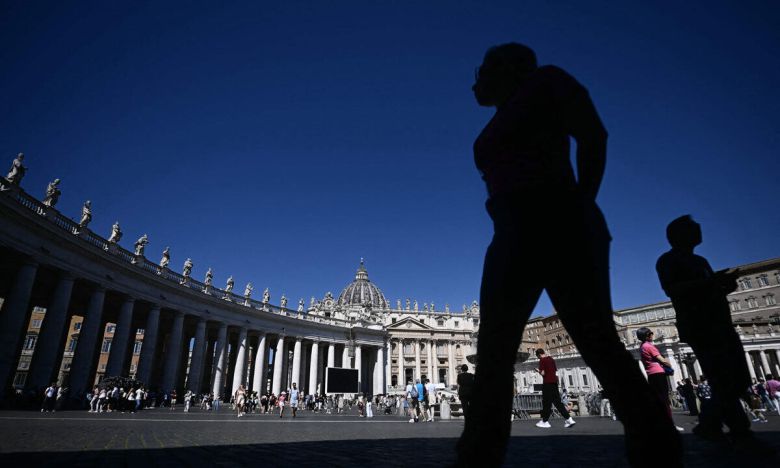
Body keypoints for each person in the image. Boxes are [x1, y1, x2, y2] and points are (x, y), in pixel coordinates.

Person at [456, 42, 682, 467]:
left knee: (596, 339)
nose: (474, 81)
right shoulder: (492, 125)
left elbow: (593, 135)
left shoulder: (547, 81)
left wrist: (581, 203)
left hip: (561, 223)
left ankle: (657, 445)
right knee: (493, 348)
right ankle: (478, 451)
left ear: (509, 69)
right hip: (509, 234)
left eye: (483, 69)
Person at [656, 215, 772, 454]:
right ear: (680, 234)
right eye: (694, 228)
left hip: (720, 322)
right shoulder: (668, 260)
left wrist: (724, 285)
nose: (700, 230)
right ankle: (737, 431)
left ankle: (712, 424)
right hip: (701, 325)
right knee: (725, 378)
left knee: (734, 377)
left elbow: (707, 289)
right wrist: (710, 283)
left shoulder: (700, 260)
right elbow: (673, 289)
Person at [637, 328, 684, 432]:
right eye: (650, 334)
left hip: (651, 375)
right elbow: (663, 361)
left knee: (659, 401)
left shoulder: (642, 347)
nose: (652, 335)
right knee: (664, 401)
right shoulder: (649, 346)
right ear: (646, 336)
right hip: (658, 374)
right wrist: (668, 363)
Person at [534, 349, 576, 429]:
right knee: (558, 403)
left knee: (546, 403)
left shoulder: (542, 360)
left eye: (538, 357)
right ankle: (569, 419)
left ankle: (545, 421)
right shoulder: (551, 359)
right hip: (554, 383)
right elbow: (555, 372)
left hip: (547, 384)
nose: (539, 358)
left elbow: (543, 373)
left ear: (539, 355)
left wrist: (538, 371)